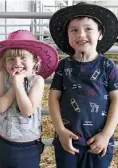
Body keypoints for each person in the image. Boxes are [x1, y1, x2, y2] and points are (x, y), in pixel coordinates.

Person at [48, 2, 118, 168]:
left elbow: (116, 100)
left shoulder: (108, 66)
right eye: (74, 30)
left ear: (100, 34)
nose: (81, 34)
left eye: (88, 29)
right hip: (68, 141)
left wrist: (106, 135)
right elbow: (53, 99)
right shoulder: (63, 66)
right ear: (68, 36)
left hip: (99, 141)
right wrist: (60, 131)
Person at [0, 29, 59, 168]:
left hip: (28, 145)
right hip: (4, 141)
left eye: (23, 58)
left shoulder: (37, 80)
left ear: (35, 61)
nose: (17, 63)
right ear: (5, 63)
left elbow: (27, 110)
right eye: (11, 59)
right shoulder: (3, 77)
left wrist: (19, 85)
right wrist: (14, 85)